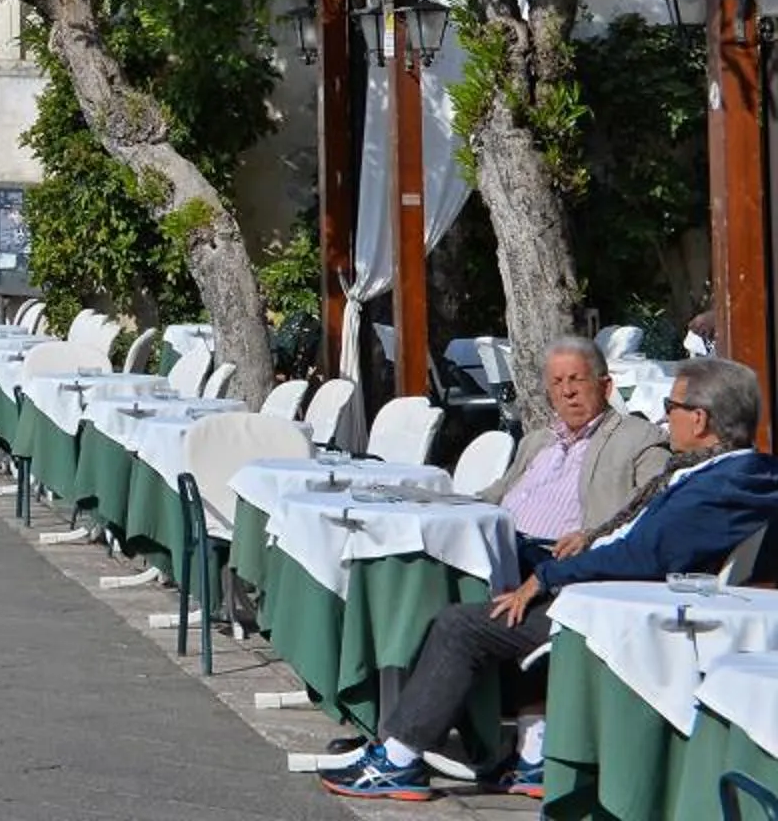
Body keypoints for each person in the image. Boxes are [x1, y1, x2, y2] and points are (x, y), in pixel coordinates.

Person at [324, 356, 778, 801]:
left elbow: (642, 557)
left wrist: (547, 576)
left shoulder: (723, 486)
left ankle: (398, 759)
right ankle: (534, 754)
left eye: (671, 407)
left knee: (461, 626)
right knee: (504, 593)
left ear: (699, 419)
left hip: (617, 615)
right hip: (608, 592)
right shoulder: (723, 473)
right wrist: (568, 554)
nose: (664, 417)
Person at [475, 338, 668, 570]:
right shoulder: (535, 441)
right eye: (557, 382)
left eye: (577, 379)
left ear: (605, 387)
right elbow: (498, 491)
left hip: (553, 562)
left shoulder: (641, 438)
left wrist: (593, 535)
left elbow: (659, 508)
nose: (567, 391)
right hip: (495, 546)